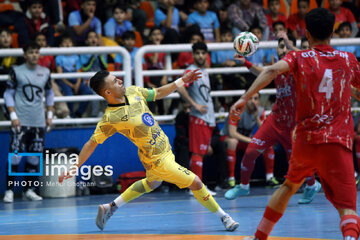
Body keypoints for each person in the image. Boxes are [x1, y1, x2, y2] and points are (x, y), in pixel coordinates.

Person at [231, 8, 360, 240]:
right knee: (347, 209)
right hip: (338, 141)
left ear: (307, 34)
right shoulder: (348, 61)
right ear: (332, 33)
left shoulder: (299, 57)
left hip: (307, 141)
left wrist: (244, 98)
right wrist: (347, 90)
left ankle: (259, 237)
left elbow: (271, 70)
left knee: (289, 186)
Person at [58, 69, 239, 232]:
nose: (120, 81)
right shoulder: (110, 118)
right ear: (107, 92)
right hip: (158, 160)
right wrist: (75, 166)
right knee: (197, 183)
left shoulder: (133, 91)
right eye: (115, 81)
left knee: (153, 184)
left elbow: (159, 93)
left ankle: (110, 207)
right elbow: (92, 143)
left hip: (162, 150)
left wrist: (181, 81)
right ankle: (225, 218)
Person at [225, 37, 320, 205]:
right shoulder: (277, 68)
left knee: (299, 163)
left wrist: (291, 47)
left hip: (294, 124)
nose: (282, 50)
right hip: (275, 120)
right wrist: (245, 62)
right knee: (250, 152)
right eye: (280, 47)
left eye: (286, 48)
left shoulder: (300, 66)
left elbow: (308, 61)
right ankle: (244, 185)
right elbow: (263, 73)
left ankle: (312, 185)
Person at [3, 41, 54, 203]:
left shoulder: (45, 72)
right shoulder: (16, 71)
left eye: (36, 52)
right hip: (21, 120)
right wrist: (13, 117)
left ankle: (29, 190)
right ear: (25, 55)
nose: (34, 55)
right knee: (15, 156)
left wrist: (50, 116)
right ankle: (9, 190)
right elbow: (8, 95)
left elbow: (50, 94)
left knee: (34, 157)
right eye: (31, 52)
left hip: (38, 121)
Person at [177, 42, 217, 195]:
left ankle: (196, 186)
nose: (200, 56)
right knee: (197, 153)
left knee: (201, 152)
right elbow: (179, 86)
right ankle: (196, 189)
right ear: (193, 55)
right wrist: (194, 105)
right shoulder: (191, 71)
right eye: (197, 53)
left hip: (207, 118)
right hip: (198, 117)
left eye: (203, 53)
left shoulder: (204, 71)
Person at [220, 92, 277, 188]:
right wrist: (252, 141)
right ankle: (231, 180)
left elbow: (265, 132)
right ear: (246, 101)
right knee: (233, 141)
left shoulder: (260, 112)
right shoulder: (236, 110)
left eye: (255, 99)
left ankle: (270, 178)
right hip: (226, 138)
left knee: (267, 144)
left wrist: (257, 118)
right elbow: (232, 133)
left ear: (259, 101)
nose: (253, 102)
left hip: (244, 140)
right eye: (250, 99)